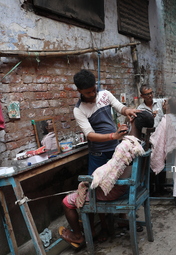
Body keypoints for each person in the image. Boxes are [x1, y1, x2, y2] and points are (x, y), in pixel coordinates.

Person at [59, 69, 140, 245]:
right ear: (79, 91)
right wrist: (113, 136)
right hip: (97, 154)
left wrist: (128, 111)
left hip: (115, 150)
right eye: (88, 92)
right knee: (96, 190)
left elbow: (120, 107)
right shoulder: (79, 110)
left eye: (94, 89)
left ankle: (122, 218)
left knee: (116, 184)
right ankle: (104, 227)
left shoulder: (105, 95)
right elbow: (89, 135)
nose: (93, 94)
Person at [59, 111, 154, 247]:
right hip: (130, 188)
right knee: (89, 184)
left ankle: (78, 236)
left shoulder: (125, 146)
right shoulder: (142, 142)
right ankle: (93, 229)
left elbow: (110, 172)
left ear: (131, 119)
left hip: (115, 192)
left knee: (66, 202)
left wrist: (90, 179)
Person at [150, 97, 176, 198]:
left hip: (168, 156)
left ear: (169, 107)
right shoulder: (175, 119)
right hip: (173, 154)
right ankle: (158, 187)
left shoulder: (166, 120)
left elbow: (157, 140)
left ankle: (150, 189)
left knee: (146, 157)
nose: (163, 104)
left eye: (165, 103)